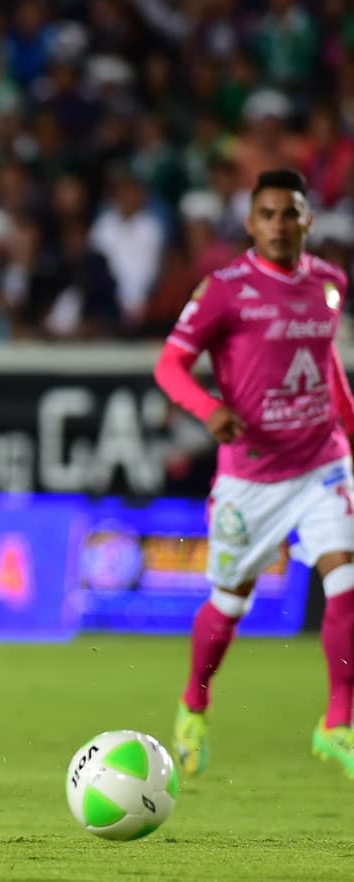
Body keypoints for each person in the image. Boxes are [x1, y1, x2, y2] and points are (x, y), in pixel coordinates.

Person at [154, 168, 354, 778]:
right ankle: (194, 702)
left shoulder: (329, 284)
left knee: (346, 581)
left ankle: (338, 724)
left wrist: (349, 425)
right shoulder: (224, 289)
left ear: (307, 220)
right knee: (229, 600)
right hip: (252, 478)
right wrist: (208, 408)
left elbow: (327, 369)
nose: (279, 225)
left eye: (290, 213)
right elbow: (170, 366)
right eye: (267, 214)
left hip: (322, 461)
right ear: (250, 223)